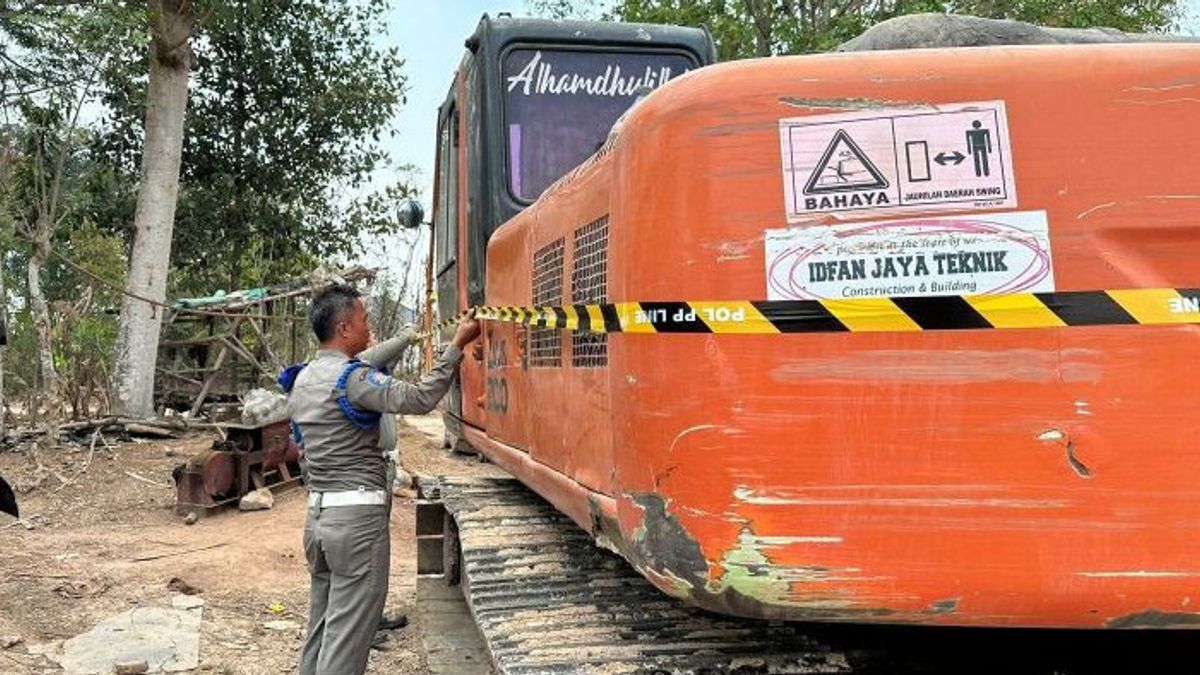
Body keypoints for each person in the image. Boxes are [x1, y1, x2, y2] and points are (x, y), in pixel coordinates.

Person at [284, 284, 479, 675]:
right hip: (356, 524)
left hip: (318, 521)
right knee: (347, 639)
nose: (368, 327)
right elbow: (421, 398)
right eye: (363, 320)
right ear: (343, 328)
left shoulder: (302, 378)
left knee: (321, 628)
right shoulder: (352, 379)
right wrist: (456, 346)